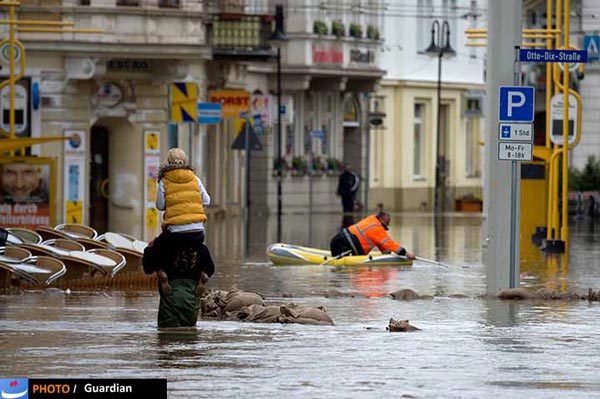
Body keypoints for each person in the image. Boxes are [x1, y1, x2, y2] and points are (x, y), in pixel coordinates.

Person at [153, 148, 211, 297]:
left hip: (175, 233)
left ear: (168, 162)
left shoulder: (164, 180)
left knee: (157, 249)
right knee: (202, 250)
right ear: (185, 161)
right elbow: (207, 200)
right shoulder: (194, 178)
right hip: (197, 232)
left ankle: (162, 273)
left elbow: (160, 206)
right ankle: (204, 273)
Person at [330, 211, 416, 259]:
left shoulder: (372, 219)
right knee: (340, 266)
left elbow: (381, 243)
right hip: (343, 246)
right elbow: (388, 242)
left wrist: (387, 255)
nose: (387, 226)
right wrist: (406, 253)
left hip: (340, 241)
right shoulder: (376, 227)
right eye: (387, 223)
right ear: (382, 220)